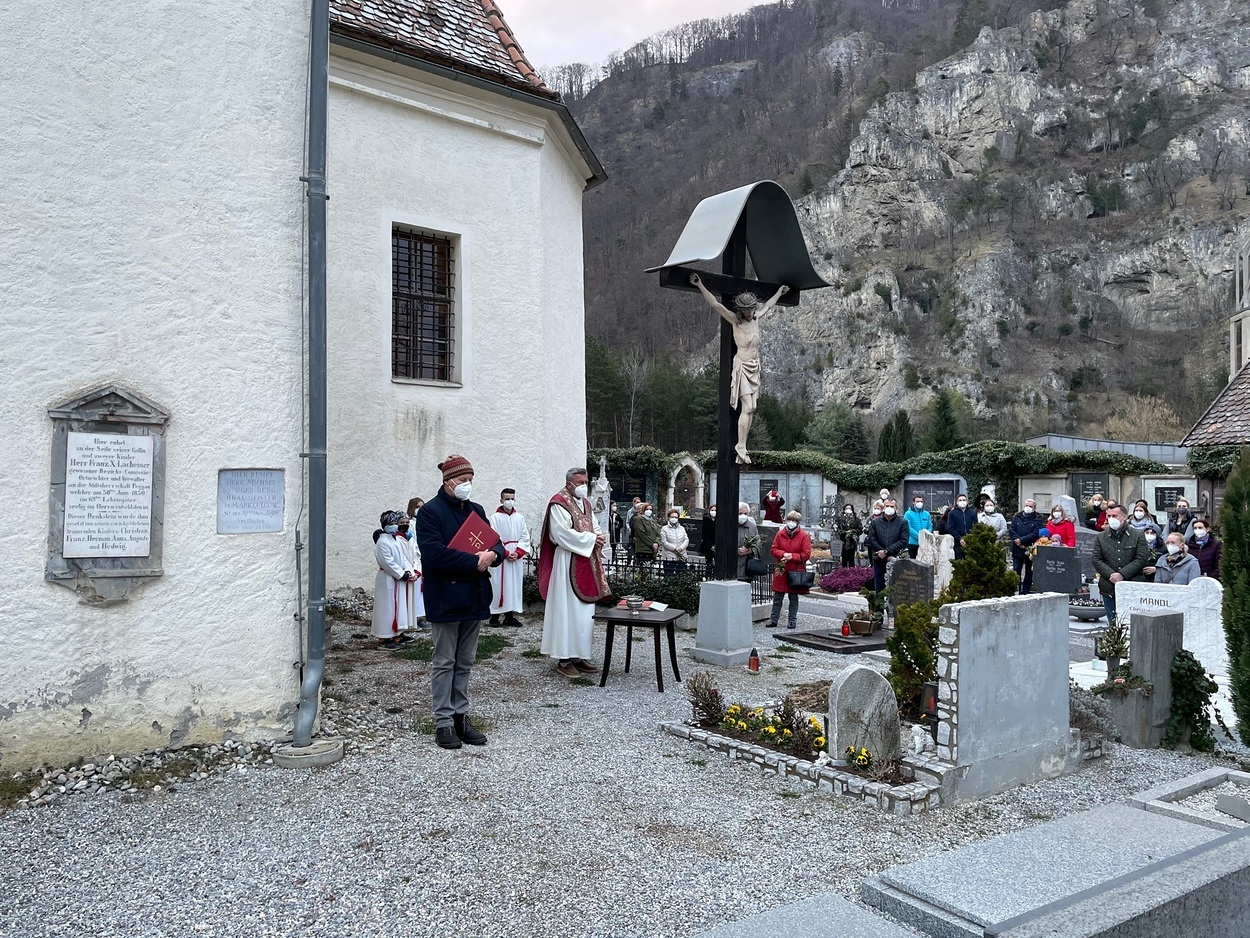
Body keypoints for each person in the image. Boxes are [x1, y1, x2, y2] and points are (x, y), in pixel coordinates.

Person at [416, 455, 503, 750]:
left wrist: (493, 555)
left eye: (470, 480)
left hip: (474, 595)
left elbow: (495, 542)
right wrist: (475, 562)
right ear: (448, 481)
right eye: (463, 480)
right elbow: (434, 554)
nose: (468, 485)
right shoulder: (430, 512)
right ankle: (443, 721)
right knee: (444, 662)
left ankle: (461, 716)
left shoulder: (475, 510)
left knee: (465, 662)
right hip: (445, 596)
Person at [690, 271, 789, 464]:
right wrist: (699, 284)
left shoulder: (756, 318)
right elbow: (715, 304)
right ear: (741, 310)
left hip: (754, 366)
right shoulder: (736, 321)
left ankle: (743, 445)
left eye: (752, 309)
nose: (750, 312)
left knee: (753, 408)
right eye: (747, 310)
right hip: (742, 366)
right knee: (748, 406)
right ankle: (740, 445)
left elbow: (769, 305)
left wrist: (779, 292)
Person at [539, 468, 610, 679]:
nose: (584, 486)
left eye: (586, 482)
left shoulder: (585, 503)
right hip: (567, 561)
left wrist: (598, 537)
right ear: (569, 483)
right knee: (566, 610)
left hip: (587, 561)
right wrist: (591, 540)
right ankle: (564, 659)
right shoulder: (558, 503)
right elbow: (559, 534)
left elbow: (594, 525)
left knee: (584, 613)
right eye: (580, 482)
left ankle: (579, 655)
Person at [1091, 505, 1149, 624]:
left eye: (1115, 516)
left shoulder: (1137, 535)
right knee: (1113, 625)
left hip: (1132, 586)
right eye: (1109, 516)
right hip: (1109, 587)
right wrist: (1111, 574)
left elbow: (1141, 558)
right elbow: (1096, 559)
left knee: (1132, 624)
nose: (1111, 519)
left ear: (1124, 517)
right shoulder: (1101, 537)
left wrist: (1122, 574)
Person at [372, 510, 419, 649]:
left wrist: (410, 571)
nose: (394, 525)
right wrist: (402, 574)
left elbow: (402, 558)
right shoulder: (382, 542)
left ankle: (397, 634)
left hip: (397, 579)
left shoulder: (394, 539)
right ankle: (384, 638)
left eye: (395, 522)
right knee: (387, 608)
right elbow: (388, 562)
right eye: (391, 523)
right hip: (387, 579)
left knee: (398, 607)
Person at [488, 488, 530, 628]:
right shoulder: (495, 518)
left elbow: (524, 537)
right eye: (507, 499)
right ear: (501, 500)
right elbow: (493, 537)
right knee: (498, 584)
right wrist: (504, 553)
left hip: (515, 557)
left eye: (512, 498)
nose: (510, 501)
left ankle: (509, 616)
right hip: (501, 556)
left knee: (513, 585)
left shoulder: (519, 518)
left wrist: (518, 552)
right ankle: (494, 616)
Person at [769, 511, 812, 629]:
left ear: (798, 522)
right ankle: (773, 619)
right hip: (782, 570)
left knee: (793, 597)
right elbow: (773, 549)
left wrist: (792, 556)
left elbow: (806, 554)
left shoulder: (803, 536)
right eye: (790, 520)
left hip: (795, 571)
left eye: (794, 520)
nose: (791, 522)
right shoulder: (780, 534)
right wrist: (783, 554)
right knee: (778, 597)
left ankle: (792, 621)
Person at [867, 498, 908, 593]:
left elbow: (903, 540)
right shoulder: (875, 522)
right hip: (879, 558)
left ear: (896, 508)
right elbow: (872, 539)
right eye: (887, 506)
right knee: (879, 588)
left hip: (895, 558)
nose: (889, 508)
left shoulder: (903, 522)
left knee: (896, 588)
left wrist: (887, 551)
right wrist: (882, 553)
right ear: (883, 508)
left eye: (892, 506)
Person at [1008, 499, 1046, 594]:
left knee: (1029, 572)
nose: (1028, 508)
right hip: (1017, 548)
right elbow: (1012, 530)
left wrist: (1022, 540)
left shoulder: (1038, 519)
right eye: (1026, 505)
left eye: (1030, 506)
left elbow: (1036, 533)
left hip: (1030, 549)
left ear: (1034, 508)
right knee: (1016, 570)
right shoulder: (1017, 517)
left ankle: (1026, 591)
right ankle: (1016, 590)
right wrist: (1017, 540)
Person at [946, 493, 978, 560]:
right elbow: (950, 528)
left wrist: (971, 537)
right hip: (957, 542)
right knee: (959, 561)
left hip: (970, 542)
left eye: (964, 500)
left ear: (967, 501)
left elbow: (976, 526)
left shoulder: (972, 513)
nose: (962, 501)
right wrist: (959, 538)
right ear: (957, 502)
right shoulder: (952, 513)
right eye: (960, 500)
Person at [659, 507, 689, 573]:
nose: (674, 519)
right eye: (672, 517)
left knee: (681, 576)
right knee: (669, 576)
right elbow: (664, 542)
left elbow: (686, 540)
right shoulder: (664, 529)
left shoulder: (682, 528)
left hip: (681, 556)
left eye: (676, 517)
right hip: (669, 557)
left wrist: (681, 548)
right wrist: (674, 548)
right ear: (668, 518)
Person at [735, 502, 760, 579]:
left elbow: (758, 544)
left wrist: (750, 550)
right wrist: (737, 550)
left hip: (747, 569)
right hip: (732, 568)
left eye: (745, 513)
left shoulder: (752, 526)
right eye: (740, 513)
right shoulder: (729, 526)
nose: (743, 516)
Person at [903, 495, 933, 559]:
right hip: (913, 543)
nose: (920, 503)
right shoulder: (908, 514)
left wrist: (927, 535)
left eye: (921, 501)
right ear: (913, 502)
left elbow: (930, 526)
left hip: (925, 543)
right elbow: (908, 528)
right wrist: (920, 536)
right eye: (917, 501)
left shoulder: (926, 514)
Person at [699, 504, 717, 571]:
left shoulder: (720, 521)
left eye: (715, 510)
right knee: (708, 563)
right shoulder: (706, 519)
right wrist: (711, 545)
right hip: (708, 545)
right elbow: (704, 534)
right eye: (712, 510)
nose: (713, 512)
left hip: (717, 544)